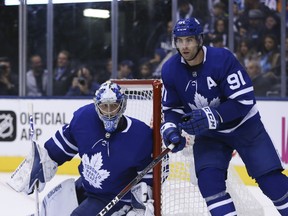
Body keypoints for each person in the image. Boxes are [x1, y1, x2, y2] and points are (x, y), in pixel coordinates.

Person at [160, 17, 288, 216]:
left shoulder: (222, 59)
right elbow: (172, 109)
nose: (184, 46)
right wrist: (171, 128)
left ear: (199, 40)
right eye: (180, 40)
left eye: (189, 40)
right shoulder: (170, 69)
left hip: (245, 127)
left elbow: (243, 101)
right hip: (210, 135)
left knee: (272, 182)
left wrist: (212, 116)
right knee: (209, 183)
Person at [8, 81, 154, 216]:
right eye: (104, 106)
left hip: (113, 199)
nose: (109, 112)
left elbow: (148, 179)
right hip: (85, 185)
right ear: (97, 106)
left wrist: (140, 205)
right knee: (50, 209)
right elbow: (60, 147)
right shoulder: (85, 119)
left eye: (113, 106)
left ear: (122, 105)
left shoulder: (140, 136)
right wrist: (40, 163)